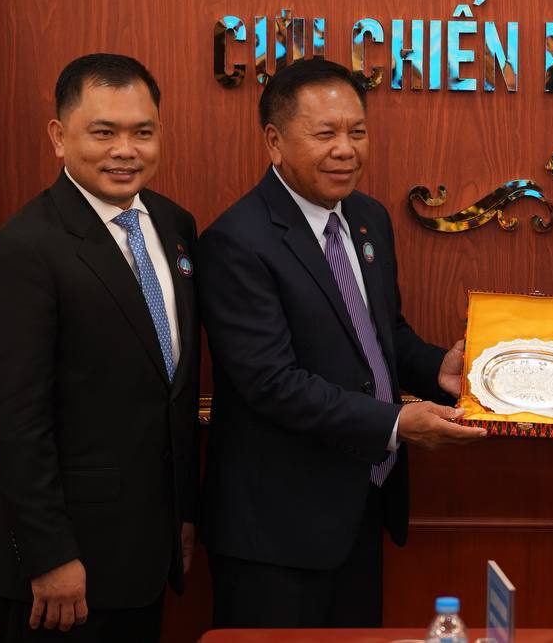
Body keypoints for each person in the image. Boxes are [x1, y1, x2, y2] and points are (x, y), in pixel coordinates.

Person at [197, 57, 485, 629]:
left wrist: (439, 370)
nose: (346, 150)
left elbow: (382, 334)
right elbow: (272, 384)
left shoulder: (367, 217)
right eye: (325, 133)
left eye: (357, 131)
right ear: (275, 141)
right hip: (275, 532)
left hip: (359, 506)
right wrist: (395, 423)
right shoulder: (236, 241)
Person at [0, 54, 200, 642]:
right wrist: (49, 555)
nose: (126, 150)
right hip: (61, 573)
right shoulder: (22, 251)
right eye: (103, 132)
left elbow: (170, 391)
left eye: (142, 132)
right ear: (58, 136)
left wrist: (182, 513)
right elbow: (14, 425)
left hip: (147, 553)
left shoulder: (174, 225)